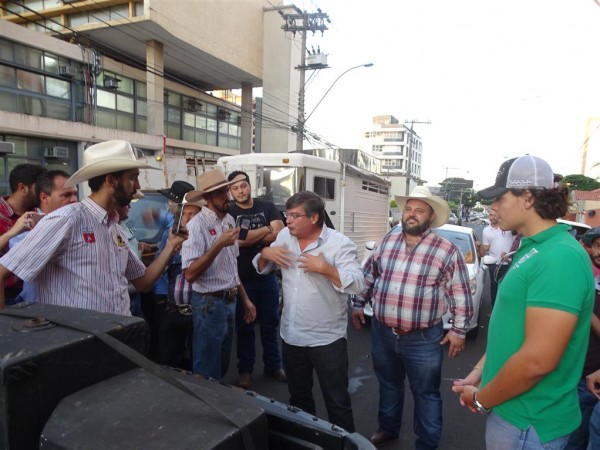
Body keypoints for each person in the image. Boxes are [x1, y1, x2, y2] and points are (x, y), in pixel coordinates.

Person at [453, 155, 595, 449]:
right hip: (514, 415)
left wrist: (481, 400)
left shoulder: (559, 257)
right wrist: (481, 371)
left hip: (528, 423)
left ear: (527, 197)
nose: (492, 209)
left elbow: (537, 360)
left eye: (499, 199)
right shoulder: (533, 248)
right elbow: (512, 330)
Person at [0, 140, 186, 314]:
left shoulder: (114, 228)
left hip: (117, 339)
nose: (137, 185)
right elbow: (2, 272)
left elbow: (143, 283)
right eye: (133, 178)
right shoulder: (65, 220)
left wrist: (171, 245)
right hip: (80, 345)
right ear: (111, 181)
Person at [351, 185, 474, 449]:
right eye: (409, 208)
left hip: (423, 338)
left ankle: (427, 444)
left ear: (431, 217)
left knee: (426, 393)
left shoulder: (446, 250)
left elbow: (460, 294)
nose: (412, 214)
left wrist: (458, 330)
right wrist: (358, 304)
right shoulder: (387, 241)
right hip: (383, 332)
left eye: (420, 210)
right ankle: (388, 428)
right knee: (388, 384)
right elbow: (370, 276)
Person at [253, 190, 364, 432]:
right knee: (299, 400)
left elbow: (358, 283)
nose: (287, 221)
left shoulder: (339, 243)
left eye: (294, 216)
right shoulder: (284, 236)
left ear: (314, 218)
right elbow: (262, 268)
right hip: (292, 336)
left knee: (337, 402)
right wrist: (264, 254)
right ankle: (307, 442)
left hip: (327, 339)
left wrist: (326, 269)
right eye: (287, 215)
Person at [181, 169, 256, 380]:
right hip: (208, 303)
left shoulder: (229, 220)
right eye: (221, 193)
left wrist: (246, 299)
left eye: (227, 191)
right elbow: (190, 274)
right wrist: (218, 245)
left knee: (221, 362)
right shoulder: (196, 226)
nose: (228, 196)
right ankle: (207, 409)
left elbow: (232, 265)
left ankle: (216, 402)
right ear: (207, 198)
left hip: (228, 301)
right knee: (207, 368)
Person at [227, 170, 286, 389]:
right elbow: (238, 241)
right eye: (234, 188)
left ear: (249, 186)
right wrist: (266, 229)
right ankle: (245, 370)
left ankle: (274, 365)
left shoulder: (267, 206)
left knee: (271, 323)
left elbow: (279, 233)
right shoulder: (230, 211)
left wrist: (250, 236)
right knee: (245, 326)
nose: (240, 191)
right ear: (231, 191)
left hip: (267, 277)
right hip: (242, 279)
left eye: (243, 186)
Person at [11, 169, 78, 303]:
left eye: (75, 194)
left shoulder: (81, 225)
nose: (74, 200)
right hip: (38, 312)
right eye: (66, 195)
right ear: (44, 197)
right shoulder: (24, 235)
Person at [155, 191, 205, 370]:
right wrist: (171, 250)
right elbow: (159, 267)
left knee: (197, 362)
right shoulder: (170, 236)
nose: (187, 218)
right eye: (184, 213)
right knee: (168, 360)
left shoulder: (208, 237)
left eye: (192, 214)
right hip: (173, 308)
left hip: (198, 311)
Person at [565, 227, 600, 450]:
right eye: (596, 245)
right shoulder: (595, 280)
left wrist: (584, 308)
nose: (598, 251)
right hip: (579, 372)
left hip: (590, 379)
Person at [0, 163, 47, 303]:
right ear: (22, 188)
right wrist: (12, 232)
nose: (43, 192)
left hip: (34, 296)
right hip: (5, 296)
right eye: (38, 187)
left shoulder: (42, 213)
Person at [481, 209, 516, 307]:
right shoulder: (486, 230)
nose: (491, 217)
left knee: (507, 287)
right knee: (494, 287)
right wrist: (479, 247)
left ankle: (505, 308)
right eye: (490, 215)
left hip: (509, 263)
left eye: (494, 215)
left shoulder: (508, 228)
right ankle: (494, 309)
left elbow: (518, 240)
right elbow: (486, 247)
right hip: (494, 264)